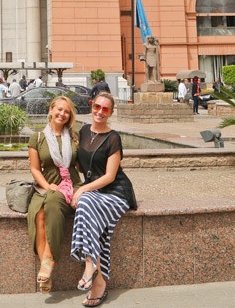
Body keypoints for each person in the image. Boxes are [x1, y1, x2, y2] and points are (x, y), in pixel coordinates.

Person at [70, 92, 137, 307]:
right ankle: (95, 275)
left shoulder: (113, 137)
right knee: (86, 205)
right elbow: (81, 164)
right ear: (91, 106)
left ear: (111, 112)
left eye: (105, 109)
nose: (100, 111)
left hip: (116, 192)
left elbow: (109, 176)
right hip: (95, 192)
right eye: (97, 106)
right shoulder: (83, 131)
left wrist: (81, 190)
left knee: (85, 202)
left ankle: (91, 267)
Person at [27, 95, 81, 294]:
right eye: (59, 109)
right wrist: (47, 185)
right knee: (39, 215)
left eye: (66, 111)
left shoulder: (74, 137)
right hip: (46, 186)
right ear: (50, 110)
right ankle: (46, 271)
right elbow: (34, 169)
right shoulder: (38, 137)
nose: (62, 114)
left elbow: (81, 164)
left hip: (71, 186)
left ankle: (47, 263)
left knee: (53, 201)